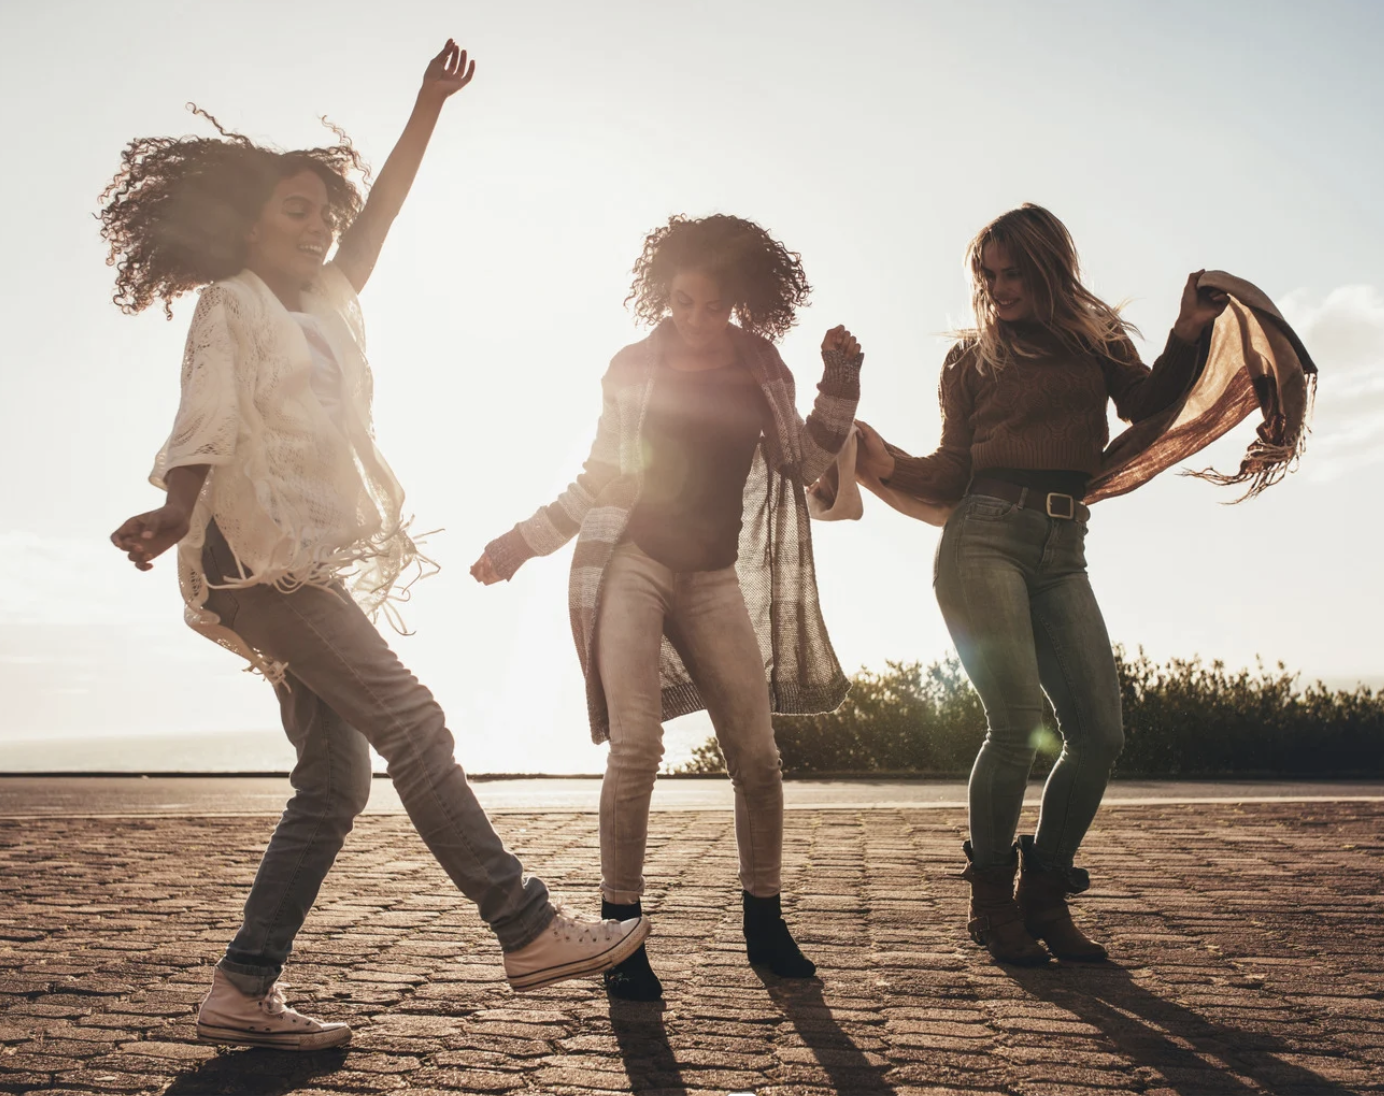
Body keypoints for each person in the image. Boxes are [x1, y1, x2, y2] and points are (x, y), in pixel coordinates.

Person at [103, 40, 647, 1051]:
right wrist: (177, 507)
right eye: (292, 210)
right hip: (259, 565)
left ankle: (241, 988)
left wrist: (426, 105)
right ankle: (523, 925)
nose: (316, 227)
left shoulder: (326, 301)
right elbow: (206, 413)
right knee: (414, 719)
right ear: (245, 222)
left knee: (335, 782)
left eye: (323, 212)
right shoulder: (234, 302)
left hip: (300, 561)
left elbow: (383, 211)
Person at [472, 214, 863, 1000]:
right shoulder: (632, 366)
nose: (693, 319)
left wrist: (839, 386)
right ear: (665, 293)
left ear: (740, 302)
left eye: (711, 306)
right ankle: (621, 932)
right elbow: (600, 478)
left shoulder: (762, 367)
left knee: (757, 756)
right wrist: (521, 543)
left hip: (714, 577)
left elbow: (806, 461)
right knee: (638, 747)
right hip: (634, 567)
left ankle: (765, 919)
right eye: (681, 301)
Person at [854, 203, 1228, 966]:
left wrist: (1188, 333)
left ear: (1049, 267)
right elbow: (954, 470)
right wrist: (890, 463)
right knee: (1016, 721)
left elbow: (1148, 403)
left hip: (1065, 546)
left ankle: (1044, 896)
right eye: (987, 275)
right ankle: (991, 905)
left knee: (1099, 733)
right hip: (983, 538)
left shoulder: (1097, 340)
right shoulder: (969, 360)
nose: (998, 287)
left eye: (1013, 271)